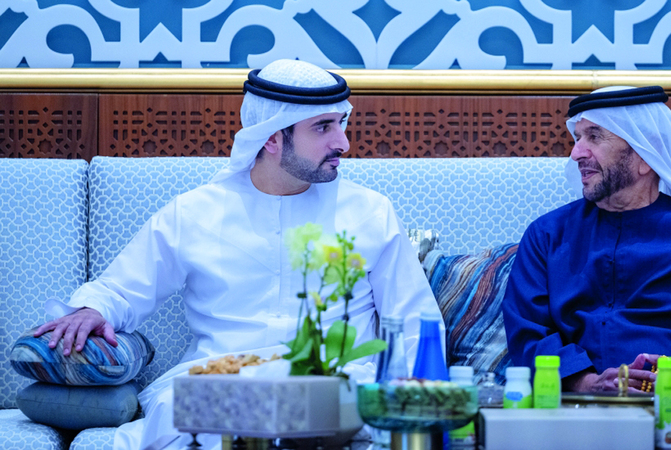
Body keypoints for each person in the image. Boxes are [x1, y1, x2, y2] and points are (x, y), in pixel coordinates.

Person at [34, 59, 442, 450]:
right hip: (218, 381)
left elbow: (415, 321)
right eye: (323, 127)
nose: (343, 143)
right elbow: (122, 289)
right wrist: (92, 309)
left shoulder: (370, 212)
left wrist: (417, 400)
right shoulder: (195, 213)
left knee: (313, 409)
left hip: (336, 384)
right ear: (271, 137)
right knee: (184, 413)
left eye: (341, 123)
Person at [501, 86, 671, 396]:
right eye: (577, 138)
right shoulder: (546, 235)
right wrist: (587, 384)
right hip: (576, 408)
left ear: (645, 157)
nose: (576, 153)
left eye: (594, 137)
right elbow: (527, 333)